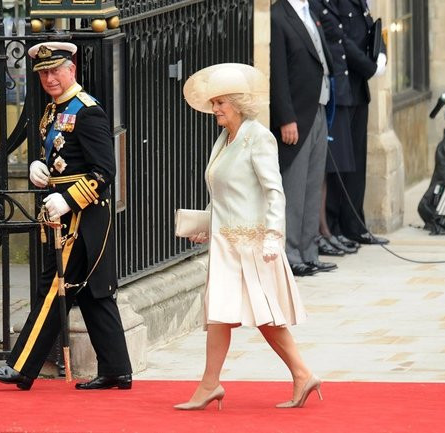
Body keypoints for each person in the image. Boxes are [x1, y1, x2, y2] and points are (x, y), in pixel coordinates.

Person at [0, 42, 132, 391]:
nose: (49, 78)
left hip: (81, 216)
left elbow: (104, 171)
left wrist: (68, 200)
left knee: (53, 289)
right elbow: (57, 153)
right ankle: (117, 369)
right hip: (60, 215)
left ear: (71, 70)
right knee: (93, 293)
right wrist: (38, 164)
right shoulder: (52, 110)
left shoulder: (87, 111)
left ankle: (21, 366)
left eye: (55, 70)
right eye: (43, 73)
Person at [175, 63, 323, 410]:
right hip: (227, 243)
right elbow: (229, 196)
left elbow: (274, 192)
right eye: (213, 103)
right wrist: (205, 226)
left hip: (253, 244)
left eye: (220, 103)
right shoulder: (225, 139)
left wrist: (274, 236)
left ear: (238, 104)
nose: (215, 109)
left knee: (261, 316)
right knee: (223, 314)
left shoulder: (259, 137)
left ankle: (298, 374)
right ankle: (214, 383)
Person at [270, 0, 338, 277]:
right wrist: (286, 118)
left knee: (312, 184)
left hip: (319, 108)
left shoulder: (312, 12)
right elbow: (277, 74)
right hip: (296, 115)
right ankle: (290, 253)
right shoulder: (277, 15)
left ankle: (310, 252)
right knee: (295, 189)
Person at [332, 0, 389, 245]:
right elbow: (342, 40)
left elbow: (372, 29)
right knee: (340, 165)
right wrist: (369, 67)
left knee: (357, 162)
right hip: (342, 90)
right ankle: (336, 227)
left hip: (358, 91)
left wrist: (382, 55)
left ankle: (355, 225)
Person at [309, 0, 360, 256]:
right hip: (323, 96)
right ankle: (321, 231)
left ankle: (329, 229)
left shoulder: (328, 5)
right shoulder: (314, 6)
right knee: (323, 169)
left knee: (333, 168)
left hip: (336, 91)